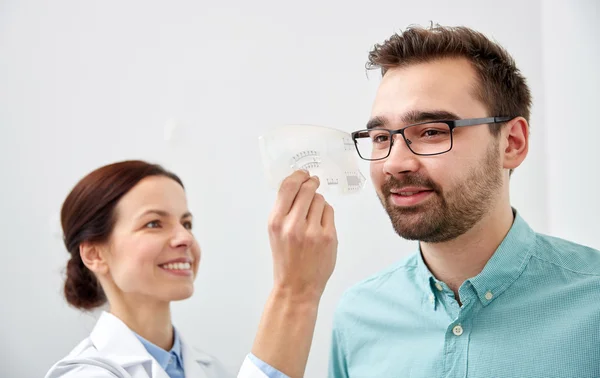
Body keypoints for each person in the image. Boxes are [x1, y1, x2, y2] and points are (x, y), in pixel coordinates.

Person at [328, 24, 600, 377]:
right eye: (382, 137)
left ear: (511, 143)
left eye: (431, 131)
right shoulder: (358, 316)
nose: (394, 163)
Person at [44, 161, 336, 378]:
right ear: (94, 254)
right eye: (154, 223)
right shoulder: (84, 373)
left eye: (186, 223)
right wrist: (295, 292)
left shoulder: (211, 369)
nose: (185, 238)